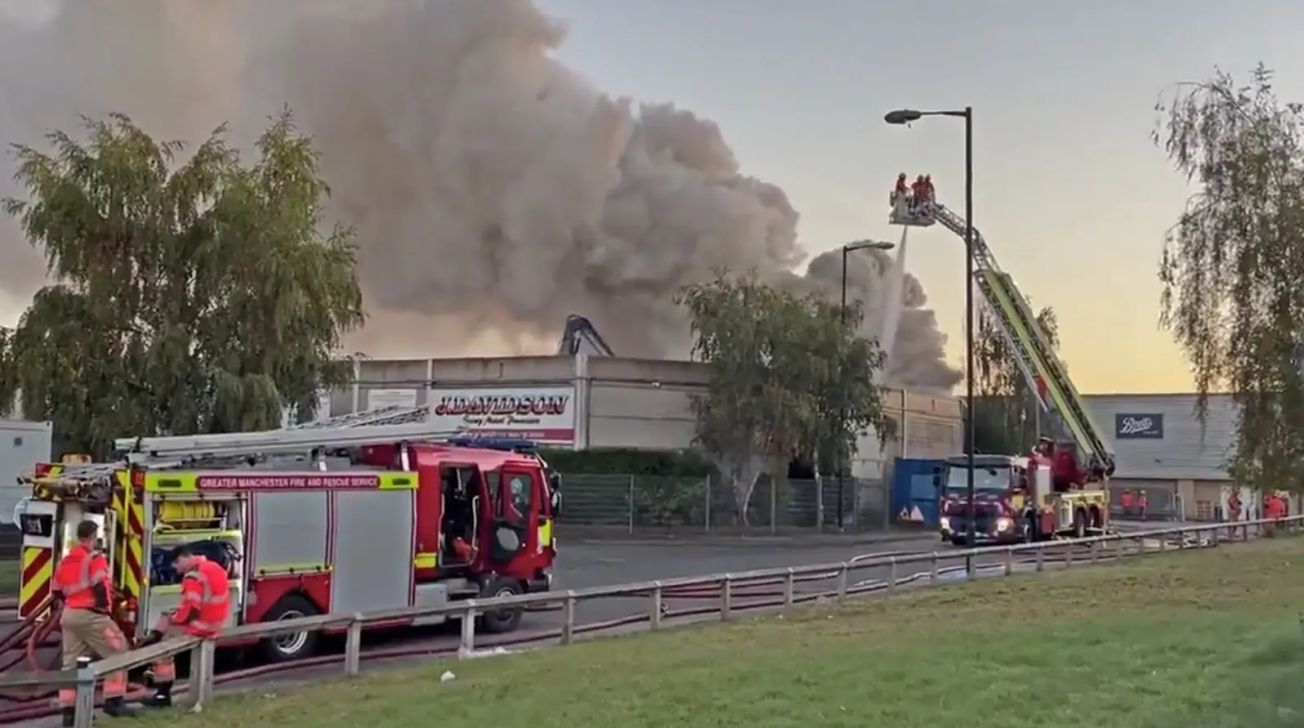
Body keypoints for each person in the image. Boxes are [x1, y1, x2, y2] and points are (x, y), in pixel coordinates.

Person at [52, 520, 136, 724]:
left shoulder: (66, 560)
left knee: (71, 663)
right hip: (91, 615)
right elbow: (99, 586)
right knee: (118, 652)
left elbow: (56, 590)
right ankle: (114, 701)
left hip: (70, 615)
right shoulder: (95, 558)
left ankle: (69, 713)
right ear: (92, 536)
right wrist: (104, 612)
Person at [140, 544, 231, 708]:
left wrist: (174, 618)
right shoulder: (213, 566)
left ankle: (162, 694)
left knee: (163, 646)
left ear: (182, 558)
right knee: (168, 615)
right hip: (216, 621)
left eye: (175, 564)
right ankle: (152, 638)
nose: (175, 569)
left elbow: (192, 612)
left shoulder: (193, 576)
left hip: (202, 625)